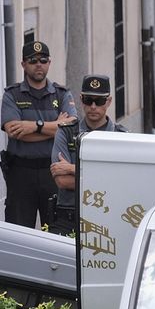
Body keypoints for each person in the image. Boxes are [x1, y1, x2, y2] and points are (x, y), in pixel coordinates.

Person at [0, 41, 77, 228]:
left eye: (43, 60)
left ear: (49, 63)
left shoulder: (61, 94)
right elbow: (15, 131)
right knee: (17, 232)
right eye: (33, 61)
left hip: (52, 172)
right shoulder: (12, 95)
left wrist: (33, 126)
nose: (39, 64)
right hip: (21, 173)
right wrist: (55, 128)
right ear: (23, 64)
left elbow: (70, 128)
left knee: (56, 228)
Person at [49, 75, 126, 235]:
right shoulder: (66, 131)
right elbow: (63, 181)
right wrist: (104, 178)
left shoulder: (122, 137)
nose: (93, 106)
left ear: (109, 101)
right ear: (81, 99)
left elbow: (119, 181)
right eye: (88, 100)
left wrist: (71, 168)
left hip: (109, 216)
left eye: (99, 101)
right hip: (69, 215)